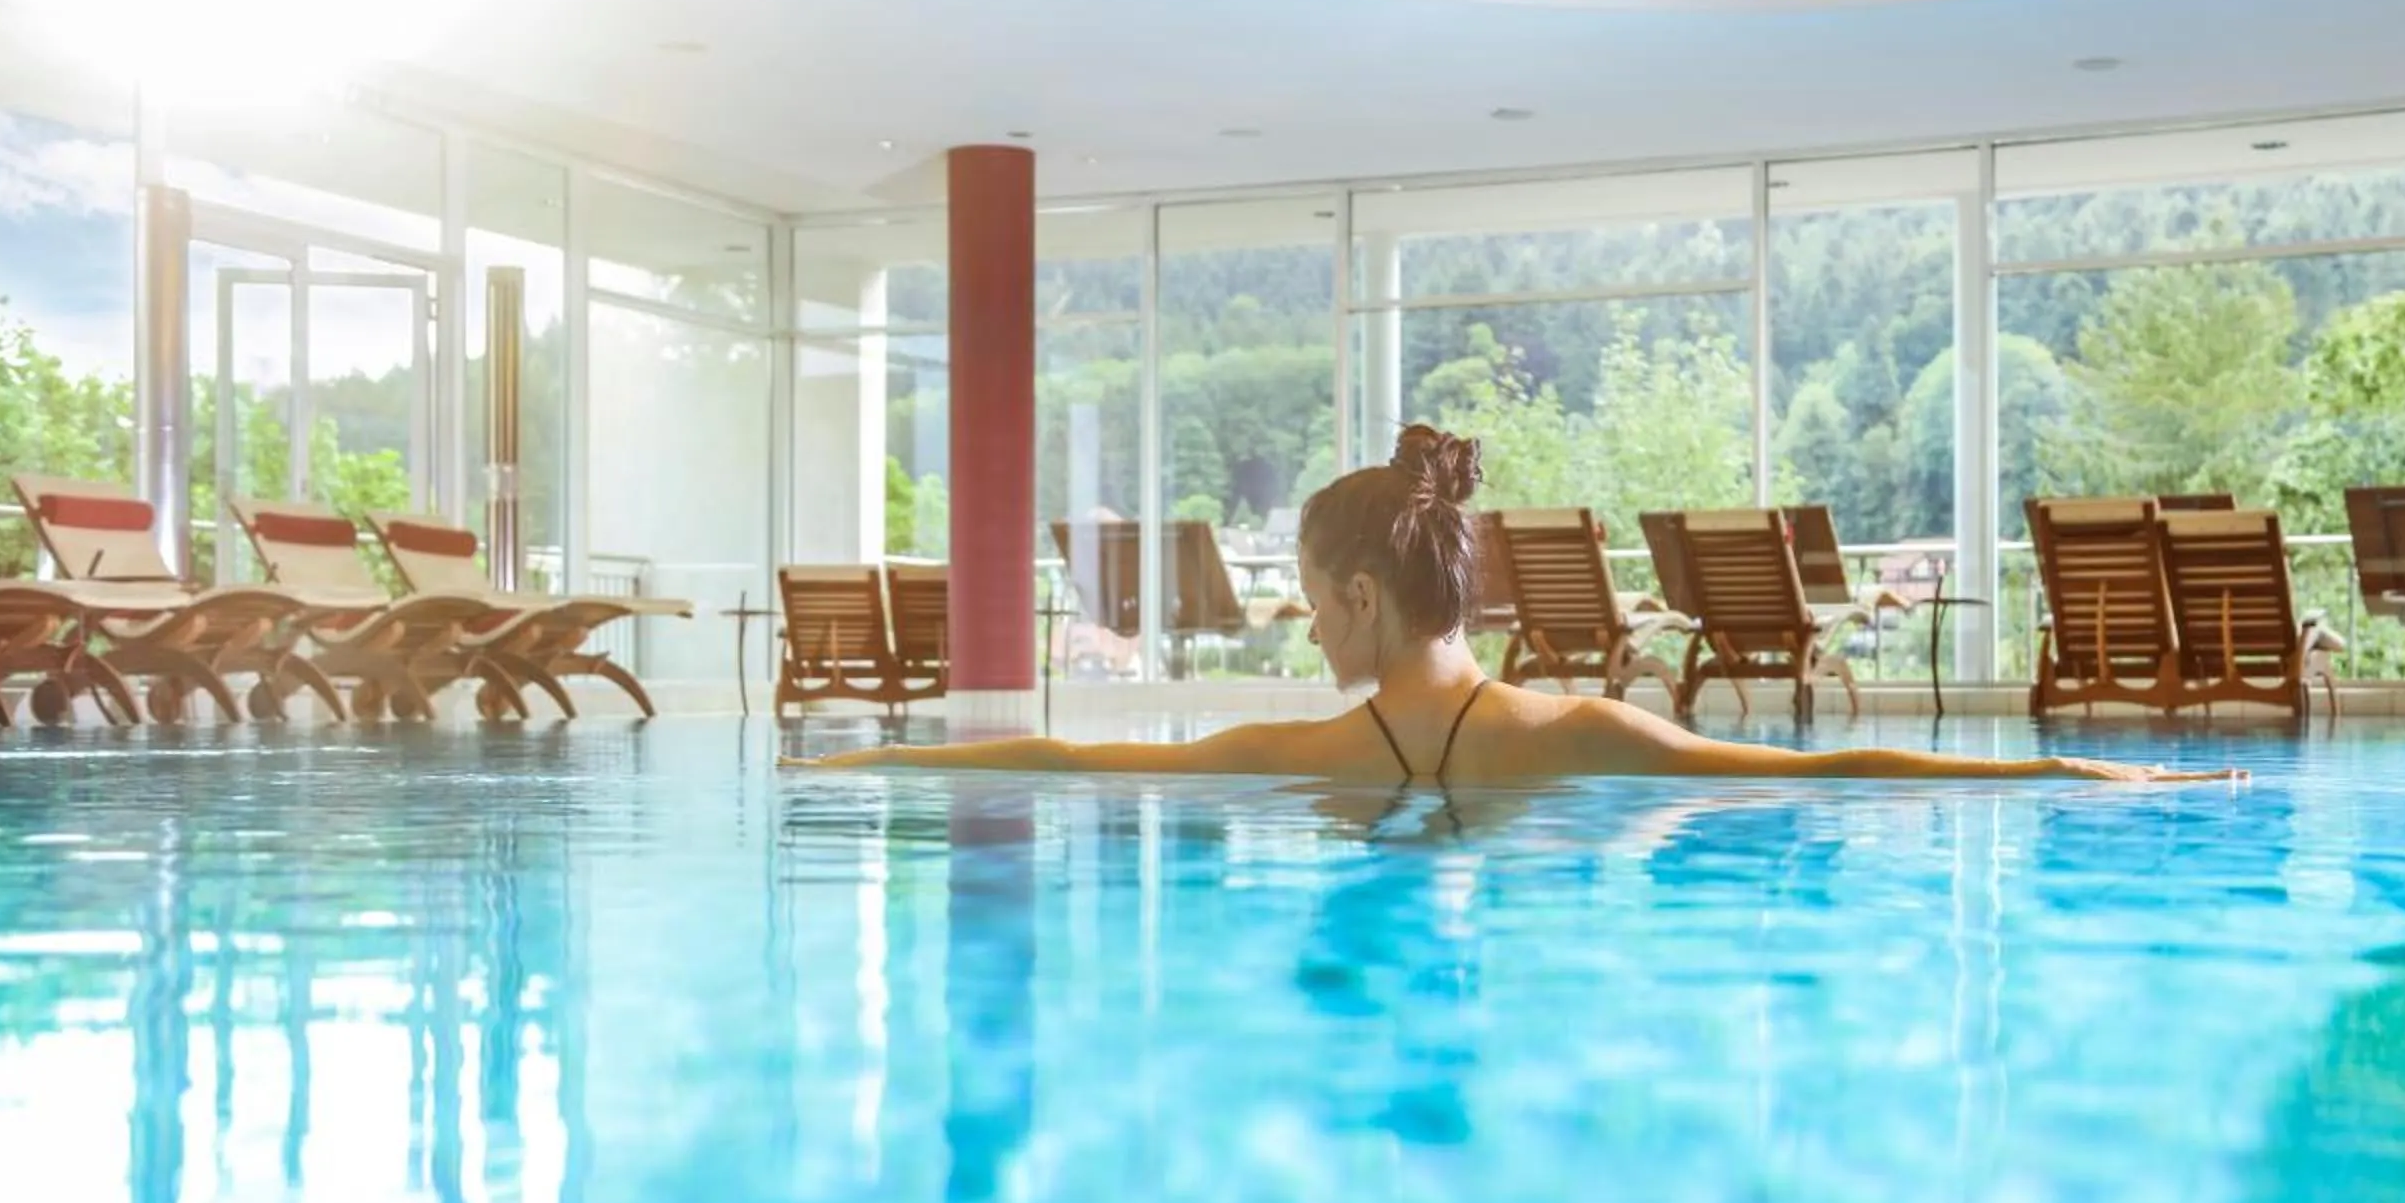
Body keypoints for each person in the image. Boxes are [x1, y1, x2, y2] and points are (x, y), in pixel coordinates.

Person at [789, 427, 2240, 789]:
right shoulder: (1581, 732)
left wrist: (881, 762)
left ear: (1363, 593)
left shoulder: (1302, 757)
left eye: (1313, 602)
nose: (1309, 629)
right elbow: (1831, 771)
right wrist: (2063, 770)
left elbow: (1069, 763)